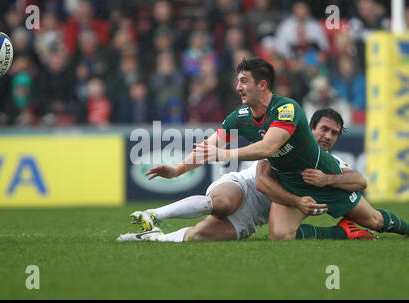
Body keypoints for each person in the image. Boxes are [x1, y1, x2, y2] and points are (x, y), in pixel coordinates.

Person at [118, 57, 408, 242]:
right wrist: (179, 168)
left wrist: (227, 155)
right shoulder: (239, 117)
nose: (238, 87)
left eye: (244, 81)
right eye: (238, 81)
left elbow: (269, 145)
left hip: (323, 180)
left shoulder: (287, 109)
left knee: (377, 221)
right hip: (288, 185)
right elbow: (209, 147)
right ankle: (343, 233)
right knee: (281, 236)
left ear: (263, 85)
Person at [118, 108, 371, 242]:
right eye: (323, 129)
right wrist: (296, 202)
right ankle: (153, 214)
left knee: (197, 236)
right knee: (225, 203)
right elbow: (261, 182)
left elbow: (360, 181)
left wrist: (329, 180)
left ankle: (149, 238)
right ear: (309, 128)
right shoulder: (287, 142)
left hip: (251, 219)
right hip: (244, 186)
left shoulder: (332, 163)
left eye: (334, 133)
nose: (327, 136)